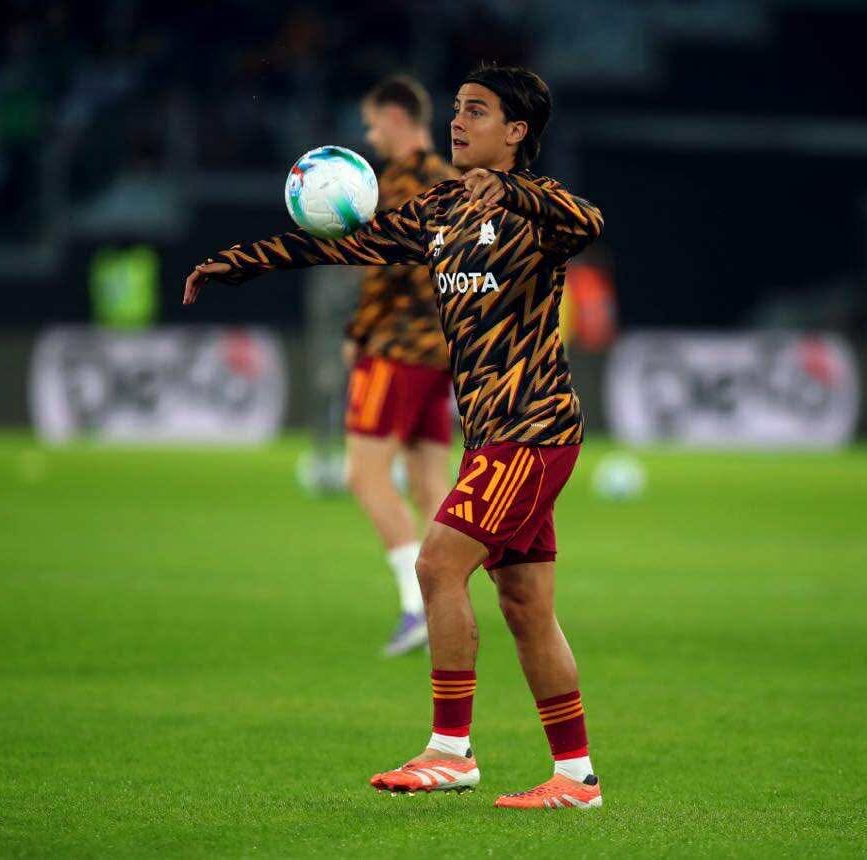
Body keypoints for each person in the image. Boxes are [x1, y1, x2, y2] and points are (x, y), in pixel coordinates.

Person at [183, 64, 605, 810]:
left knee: (438, 566)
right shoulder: (440, 207)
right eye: (457, 108)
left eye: (477, 111)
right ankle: (575, 778)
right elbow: (346, 244)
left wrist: (511, 191)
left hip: (531, 428)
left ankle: (450, 751)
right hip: (493, 435)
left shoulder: (538, 213)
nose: (458, 121)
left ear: (516, 131)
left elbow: (588, 221)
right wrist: (239, 264)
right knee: (524, 604)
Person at [346, 76, 458, 657]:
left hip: (396, 348)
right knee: (429, 482)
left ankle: (417, 607)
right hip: (444, 351)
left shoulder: (394, 184)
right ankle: (450, 601)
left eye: (372, 124)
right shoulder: (455, 182)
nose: (371, 136)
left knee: (365, 475)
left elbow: (384, 268)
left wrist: (358, 332)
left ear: (395, 116)